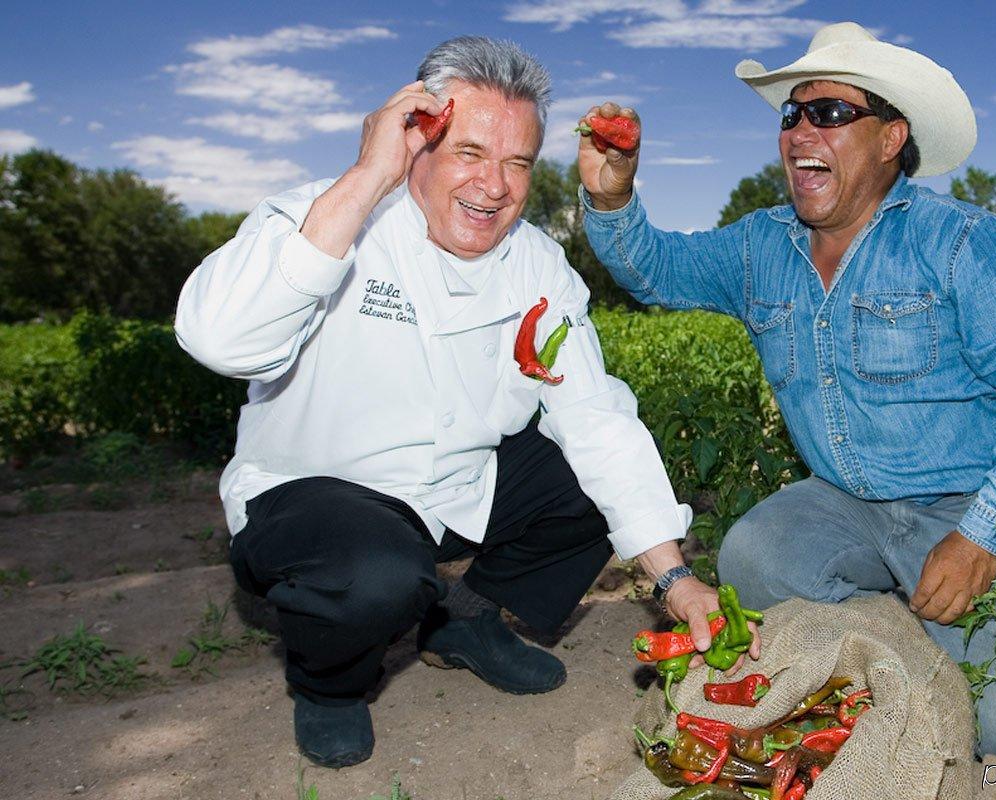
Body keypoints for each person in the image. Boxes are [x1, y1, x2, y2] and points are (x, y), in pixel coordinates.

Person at [175, 36, 745, 769]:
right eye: (471, 153)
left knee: (596, 477)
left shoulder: (536, 262)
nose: (496, 185)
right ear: (415, 143)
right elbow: (219, 340)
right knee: (376, 574)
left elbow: (596, 417)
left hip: (453, 490)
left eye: (517, 163)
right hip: (315, 500)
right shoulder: (324, 214)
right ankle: (330, 686)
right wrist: (367, 175)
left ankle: (461, 620)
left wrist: (673, 577)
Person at [577, 22, 996, 760]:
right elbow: (654, 269)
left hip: (959, 505)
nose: (797, 131)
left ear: (890, 139)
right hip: (841, 499)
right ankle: (893, 631)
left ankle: (921, 619)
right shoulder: (762, 246)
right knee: (754, 554)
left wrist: (985, 536)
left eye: (828, 114)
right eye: (791, 115)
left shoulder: (959, 242)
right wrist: (611, 197)